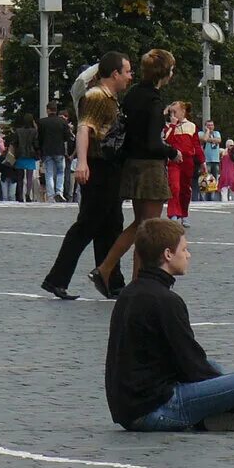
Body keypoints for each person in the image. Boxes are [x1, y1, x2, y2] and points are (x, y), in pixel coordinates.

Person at [105, 218, 234, 432]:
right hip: (156, 409)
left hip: (128, 406)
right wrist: (228, 393)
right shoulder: (165, 300)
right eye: (184, 249)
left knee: (214, 366)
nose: (188, 255)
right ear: (168, 254)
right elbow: (191, 362)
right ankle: (210, 417)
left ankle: (213, 415)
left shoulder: (130, 292)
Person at [41, 51, 134, 300]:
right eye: (127, 71)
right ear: (114, 74)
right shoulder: (96, 96)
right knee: (88, 225)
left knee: (111, 225)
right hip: (98, 166)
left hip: (109, 167)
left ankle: (111, 281)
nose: (130, 76)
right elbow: (84, 128)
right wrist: (82, 162)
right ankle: (56, 279)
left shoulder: (110, 97)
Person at [91, 49, 179, 297]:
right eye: (171, 69)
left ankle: (131, 279)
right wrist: (171, 152)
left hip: (131, 164)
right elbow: (152, 143)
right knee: (148, 229)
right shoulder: (154, 101)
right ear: (164, 72)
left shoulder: (133, 95)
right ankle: (108, 269)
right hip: (149, 168)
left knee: (141, 226)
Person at [164, 101, 199, 227]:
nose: (172, 115)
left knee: (185, 190)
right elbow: (168, 140)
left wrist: (203, 161)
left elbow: (196, 145)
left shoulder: (191, 126)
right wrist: (173, 126)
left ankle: (184, 214)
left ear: (183, 112)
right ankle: (173, 214)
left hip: (188, 161)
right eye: (170, 112)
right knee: (175, 187)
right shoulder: (168, 126)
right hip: (174, 161)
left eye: (175, 112)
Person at [37, 101, 73, 203]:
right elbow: (67, 137)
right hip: (59, 151)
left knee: (49, 173)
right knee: (60, 172)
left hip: (47, 151)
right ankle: (59, 192)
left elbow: (40, 138)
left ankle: (50, 195)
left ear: (48, 110)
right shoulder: (63, 122)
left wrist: (40, 149)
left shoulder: (42, 122)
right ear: (56, 110)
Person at [10, 114, 40, 202]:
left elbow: (14, 143)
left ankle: (20, 196)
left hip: (20, 155)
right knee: (29, 177)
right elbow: (36, 144)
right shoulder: (34, 131)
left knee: (20, 177)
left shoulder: (18, 131)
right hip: (31, 156)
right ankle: (28, 195)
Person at [199, 119, 222, 185]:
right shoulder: (201, 133)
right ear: (205, 126)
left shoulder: (216, 133)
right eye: (208, 125)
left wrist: (209, 140)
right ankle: (204, 195)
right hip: (206, 160)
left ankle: (212, 195)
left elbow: (219, 140)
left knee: (214, 181)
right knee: (205, 180)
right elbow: (204, 139)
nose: (210, 127)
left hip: (215, 160)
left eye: (212, 125)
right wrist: (208, 131)